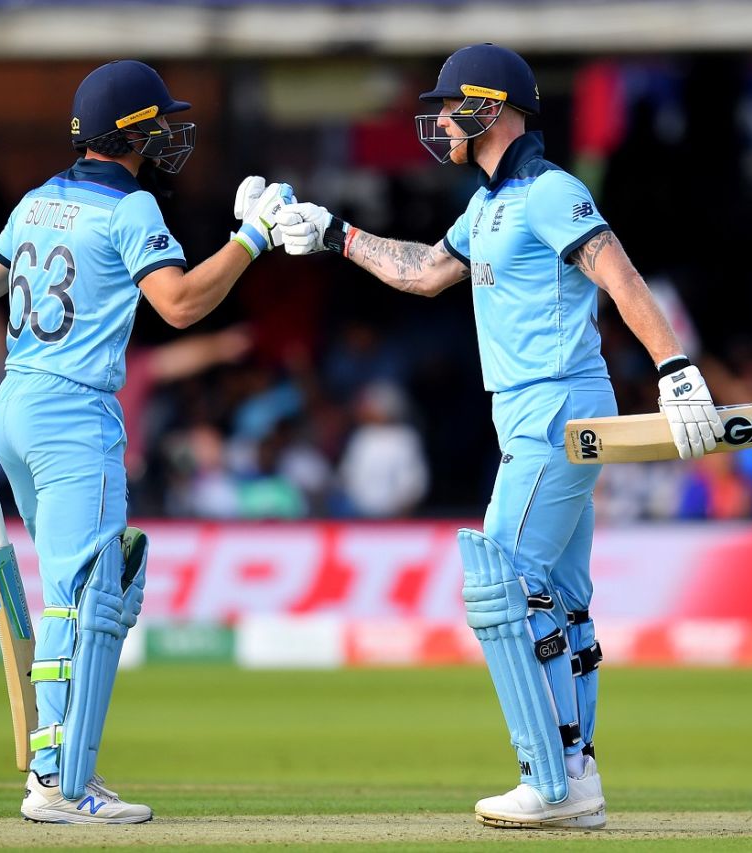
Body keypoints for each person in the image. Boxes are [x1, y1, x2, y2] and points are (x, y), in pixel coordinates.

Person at [274, 43, 724, 830]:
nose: (440, 119)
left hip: (554, 408)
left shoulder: (550, 192)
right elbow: (422, 271)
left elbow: (618, 275)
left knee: (503, 583)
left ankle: (549, 781)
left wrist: (676, 368)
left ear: (489, 107)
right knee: (562, 596)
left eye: (451, 105)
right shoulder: (487, 206)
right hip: (531, 411)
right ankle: (575, 771)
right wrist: (334, 233)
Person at [0, 60, 292, 824]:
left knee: (79, 593)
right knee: (87, 598)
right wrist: (253, 239)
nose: (167, 133)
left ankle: (56, 772)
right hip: (74, 416)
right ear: (129, 133)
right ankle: (61, 783)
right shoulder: (129, 209)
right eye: (157, 122)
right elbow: (183, 302)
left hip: (18, 410)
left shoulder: (36, 202)